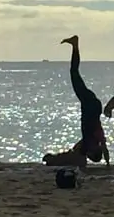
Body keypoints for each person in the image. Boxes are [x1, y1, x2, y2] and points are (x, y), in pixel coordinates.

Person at [42, 35, 109, 167]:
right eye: (90, 155)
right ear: (93, 151)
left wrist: (107, 162)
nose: (87, 154)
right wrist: (107, 163)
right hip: (91, 106)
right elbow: (102, 149)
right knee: (74, 72)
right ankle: (75, 45)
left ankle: (75, 46)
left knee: (74, 73)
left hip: (93, 105)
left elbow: (97, 149)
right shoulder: (94, 138)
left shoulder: (90, 141)